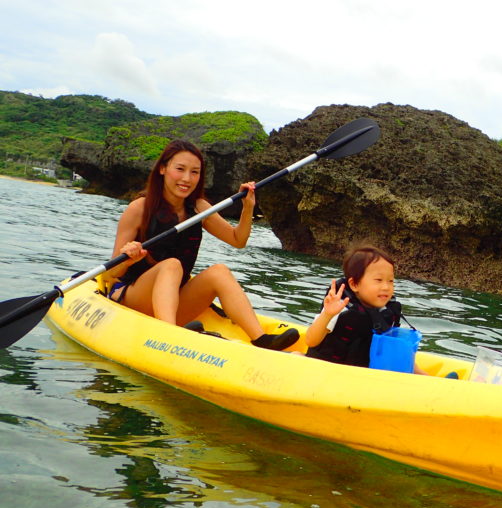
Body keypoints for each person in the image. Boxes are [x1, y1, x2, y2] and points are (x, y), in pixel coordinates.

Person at [106, 139, 295, 351]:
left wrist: (248, 207)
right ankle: (167, 336)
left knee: (219, 271)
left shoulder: (199, 208)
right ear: (163, 169)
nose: (187, 178)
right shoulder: (139, 208)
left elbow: (237, 240)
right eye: (180, 169)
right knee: (172, 265)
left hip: (173, 300)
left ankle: (261, 339)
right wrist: (128, 256)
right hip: (133, 296)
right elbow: (112, 273)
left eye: (194, 172)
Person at [305, 244, 423, 372]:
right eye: (379, 280)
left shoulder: (387, 312)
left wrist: (427, 378)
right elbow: (311, 341)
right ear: (354, 284)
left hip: (360, 375)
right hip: (323, 370)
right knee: (299, 357)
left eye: (390, 281)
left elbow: (395, 354)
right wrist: (327, 314)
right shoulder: (339, 306)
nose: (386, 287)